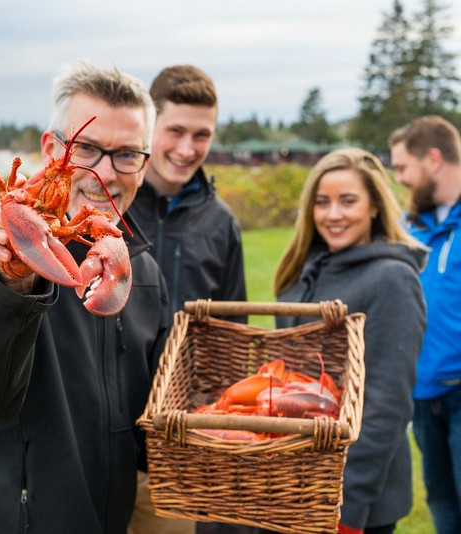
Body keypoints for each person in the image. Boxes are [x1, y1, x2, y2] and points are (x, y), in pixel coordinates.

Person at [0, 60, 170, 533]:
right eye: (90, 149)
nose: (106, 174)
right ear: (51, 148)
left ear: (144, 160)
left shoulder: (139, 269)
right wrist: (14, 286)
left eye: (127, 155)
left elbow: (147, 420)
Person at [269, 148, 427, 534]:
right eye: (322, 203)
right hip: (293, 486)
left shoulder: (392, 279)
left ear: (374, 206)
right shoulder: (300, 271)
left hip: (350, 499)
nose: (333, 214)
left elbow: (386, 406)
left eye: (348, 201)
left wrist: (346, 506)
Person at [126, 64, 249, 534]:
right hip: (96, 440)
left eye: (202, 135)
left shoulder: (221, 224)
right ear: (149, 125)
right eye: (174, 131)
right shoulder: (113, 202)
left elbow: (230, 336)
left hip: (175, 450)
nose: (187, 148)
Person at [389, 115, 461, 534]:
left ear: (432, 159)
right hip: (421, 394)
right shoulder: (407, 227)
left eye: (402, 168)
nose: (398, 179)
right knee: (441, 500)